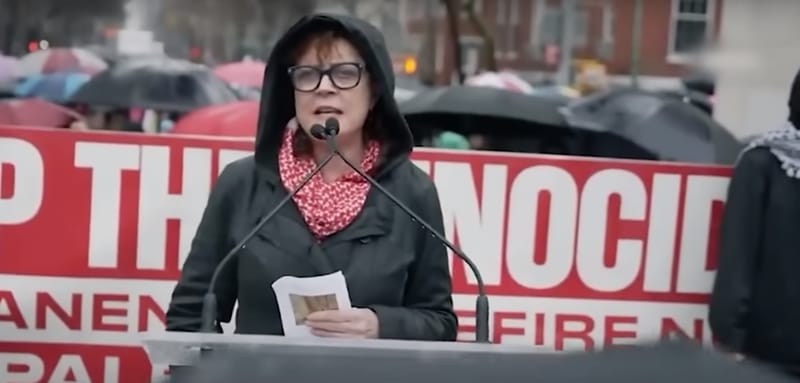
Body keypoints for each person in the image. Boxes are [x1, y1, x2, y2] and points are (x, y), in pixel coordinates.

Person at [165, 13, 457, 341]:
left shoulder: (412, 193)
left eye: (345, 73)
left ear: (375, 91)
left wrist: (381, 325)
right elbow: (189, 315)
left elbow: (439, 322)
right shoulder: (241, 183)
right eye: (307, 75)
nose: (324, 88)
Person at [709, 67, 800, 379]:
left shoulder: (761, 163)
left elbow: (737, 253)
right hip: (770, 354)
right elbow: (738, 256)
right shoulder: (762, 163)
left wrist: (729, 335)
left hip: (769, 350)